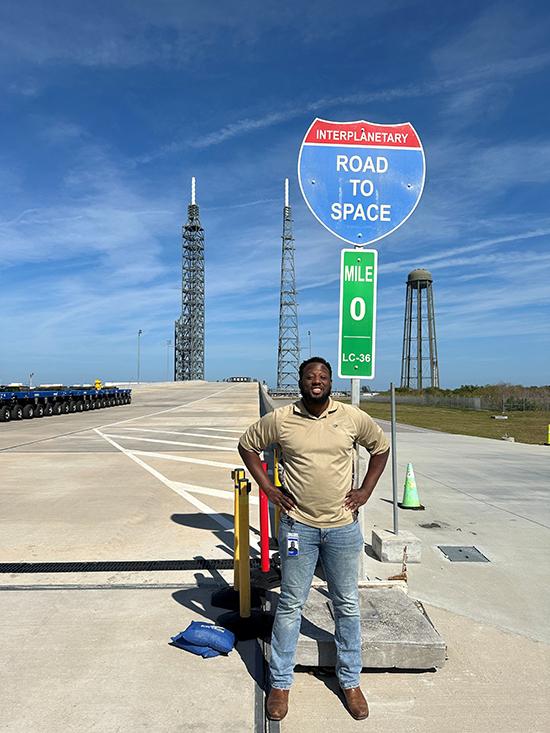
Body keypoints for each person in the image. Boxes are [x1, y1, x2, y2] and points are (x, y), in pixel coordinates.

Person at [238, 357, 390, 721]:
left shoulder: (352, 418)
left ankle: (350, 681)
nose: (316, 381)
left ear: (331, 382)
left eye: (322, 376)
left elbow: (380, 449)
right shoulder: (282, 418)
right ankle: (280, 684)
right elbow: (247, 446)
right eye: (310, 377)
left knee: (347, 604)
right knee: (290, 604)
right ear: (301, 382)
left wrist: (366, 490)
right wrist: (269, 490)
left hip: (341, 528)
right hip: (297, 528)